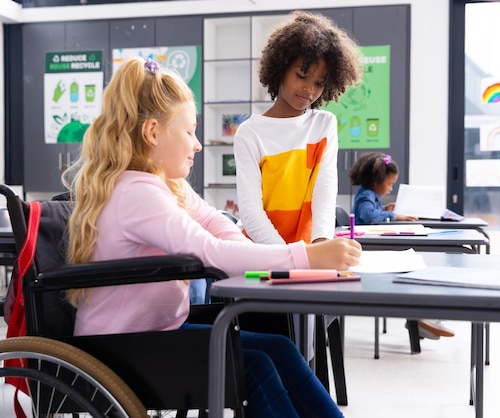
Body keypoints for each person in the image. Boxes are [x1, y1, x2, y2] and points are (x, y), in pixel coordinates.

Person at [61, 56, 361, 418]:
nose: (198, 145)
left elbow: (220, 227)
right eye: (189, 131)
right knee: (256, 367)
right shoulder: (136, 193)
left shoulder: (168, 186)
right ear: (153, 132)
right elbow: (209, 252)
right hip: (119, 351)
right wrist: (306, 258)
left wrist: (272, 262)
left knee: (279, 348)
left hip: (157, 334)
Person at [233, 10, 362, 357]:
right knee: (271, 350)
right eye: (302, 76)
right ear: (279, 70)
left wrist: (320, 246)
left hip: (308, 258)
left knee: (305, 352)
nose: (309, 89)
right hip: (262, 260)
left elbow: (324, 188)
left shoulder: (323, 124)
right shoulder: (250, 133)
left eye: (319, 83)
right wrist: (289, 258)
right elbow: (250, 212)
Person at [348, 152, 454, 344]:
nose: (390, 189)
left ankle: (421, 318)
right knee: (411, 268)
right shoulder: (365, 196)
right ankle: (420, 318)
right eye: (389, 184)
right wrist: (395, 217)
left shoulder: (370, 195)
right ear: (376, 181)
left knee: (414, 266)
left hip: (376, 247)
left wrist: (386, 209)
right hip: (371, 252)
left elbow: (374, 213)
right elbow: (369, 216)